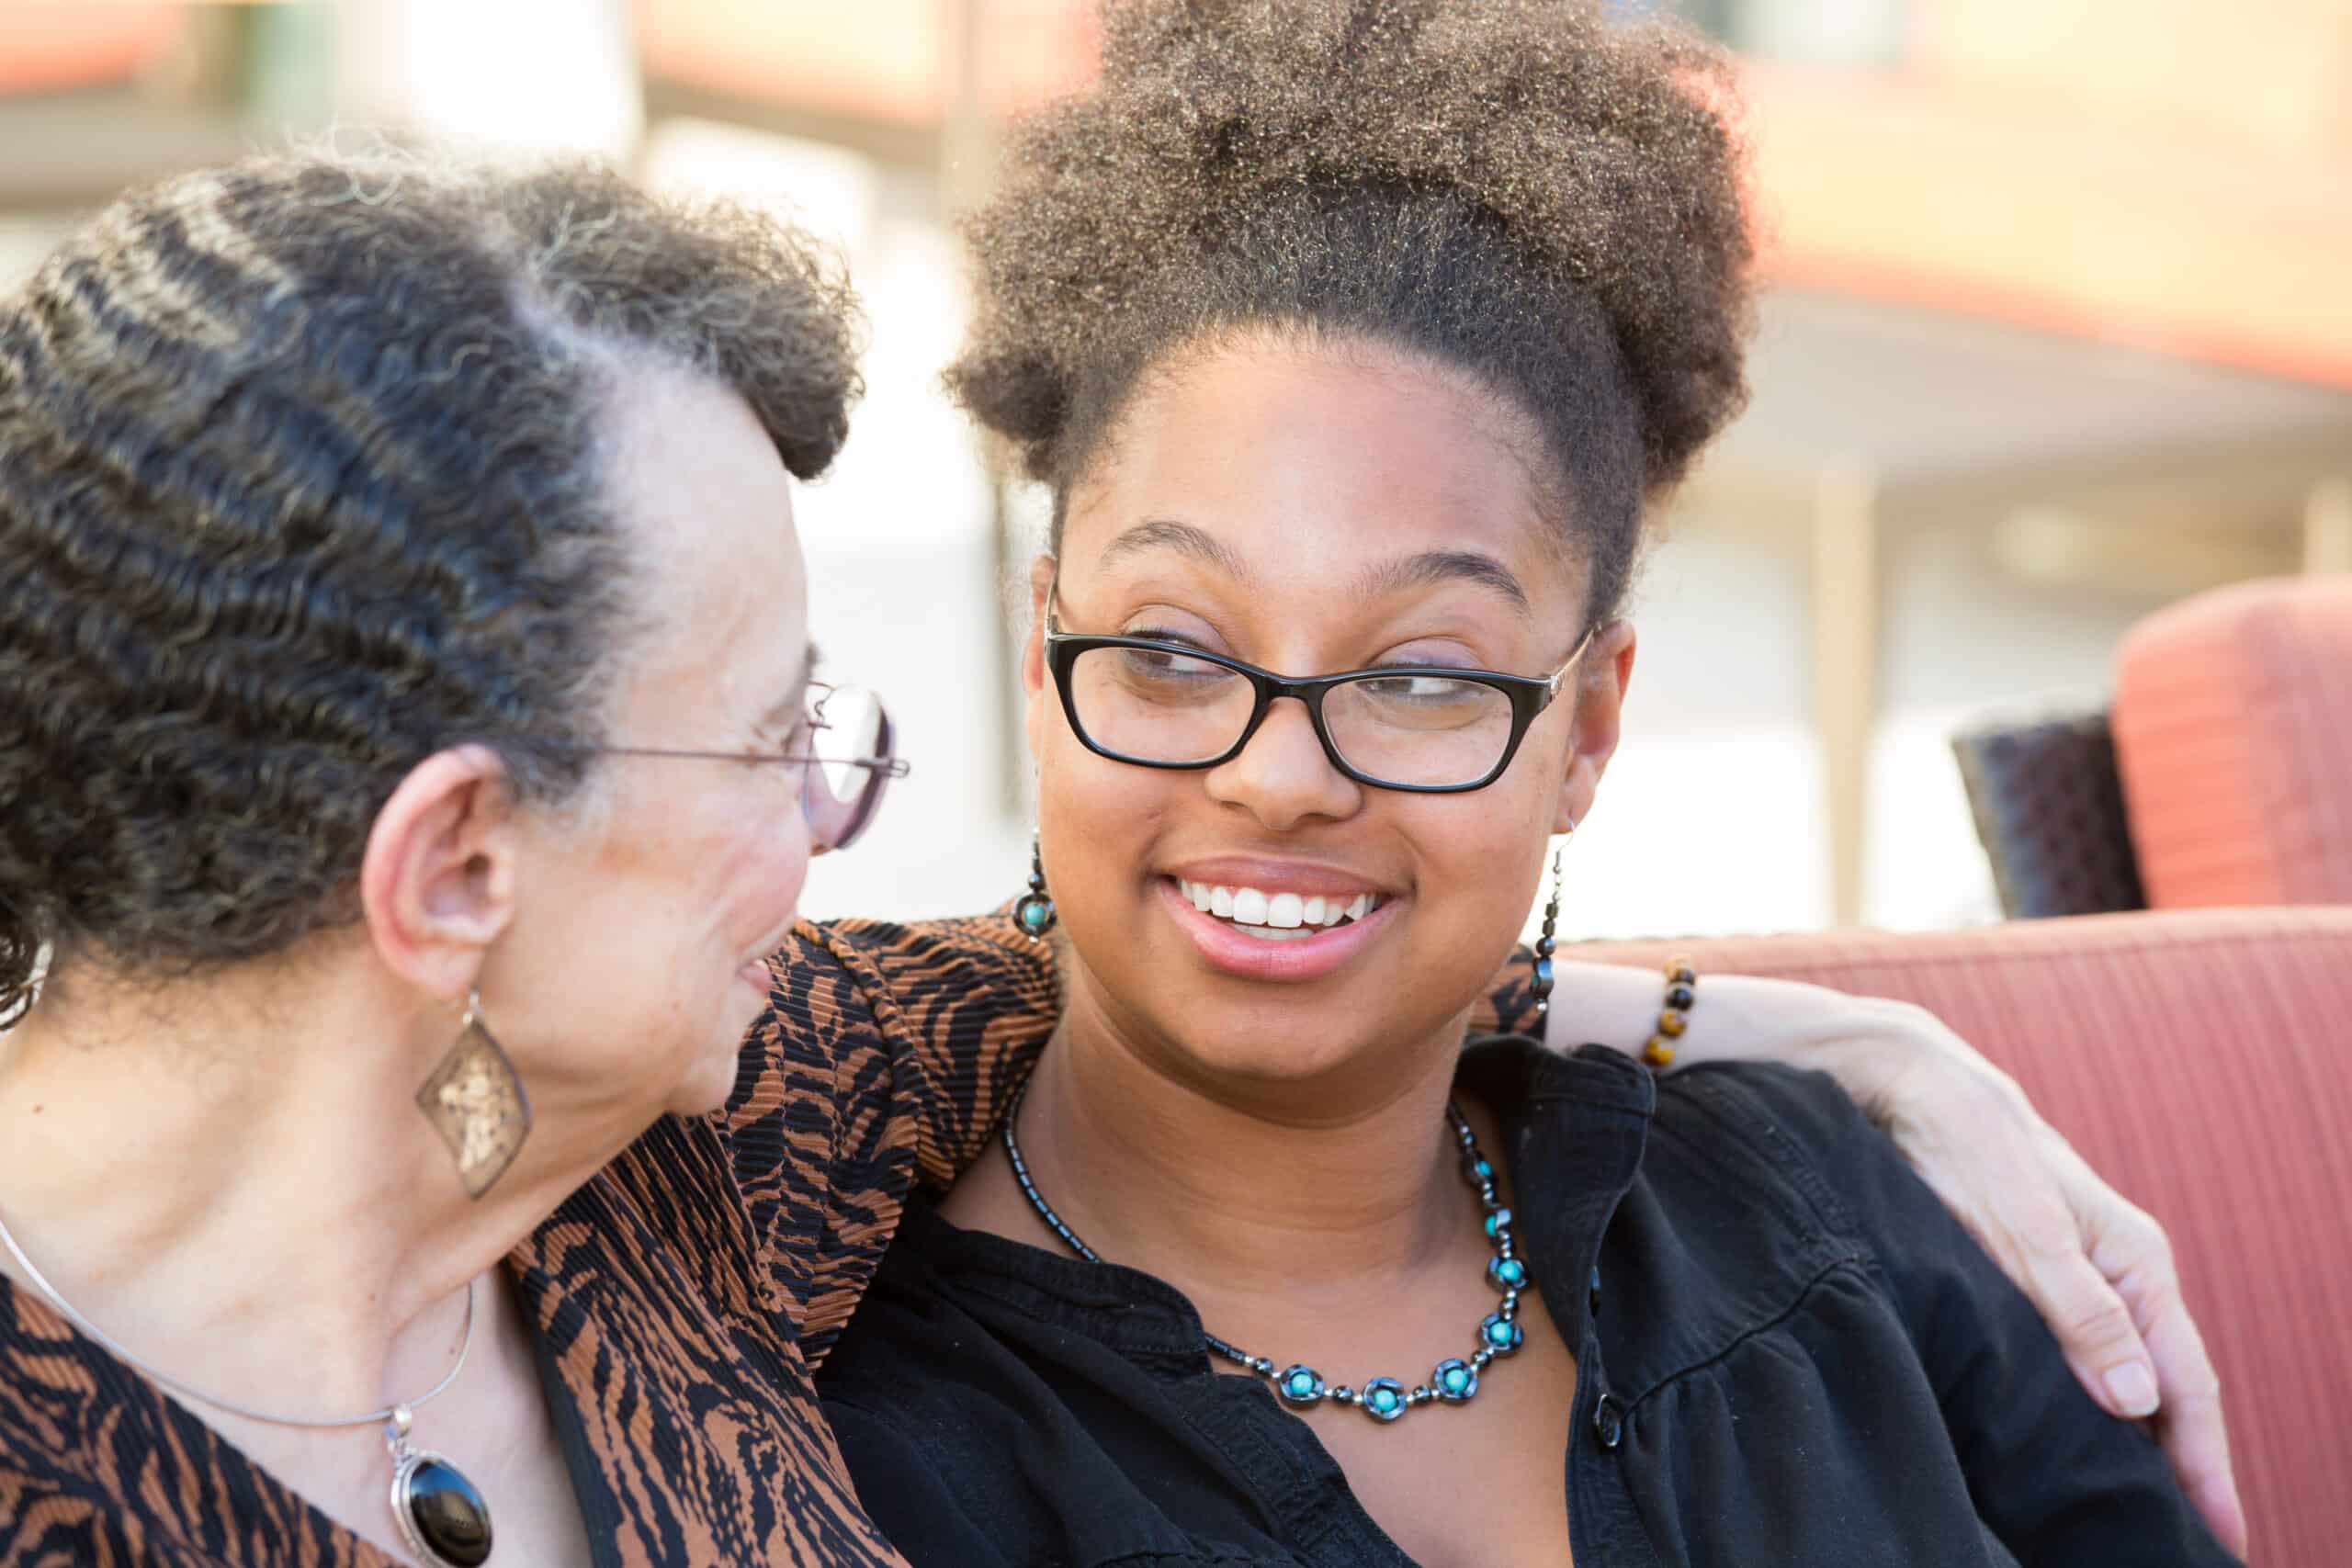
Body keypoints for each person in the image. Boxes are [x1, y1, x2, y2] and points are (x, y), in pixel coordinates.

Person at [0, 149, 2233, 1568]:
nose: (827, 823)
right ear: (455, 866)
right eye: (782, 738)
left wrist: (1813, 1027)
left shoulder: (685, 1163)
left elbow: (1225, 937)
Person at [810, 3, 2243, 1563]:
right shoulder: (863, 1446)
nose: (1279, 774)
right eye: (1171, 648)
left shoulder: (1809, 1210)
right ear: (1042, 658)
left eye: (1423, 676)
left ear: (1592, 727)